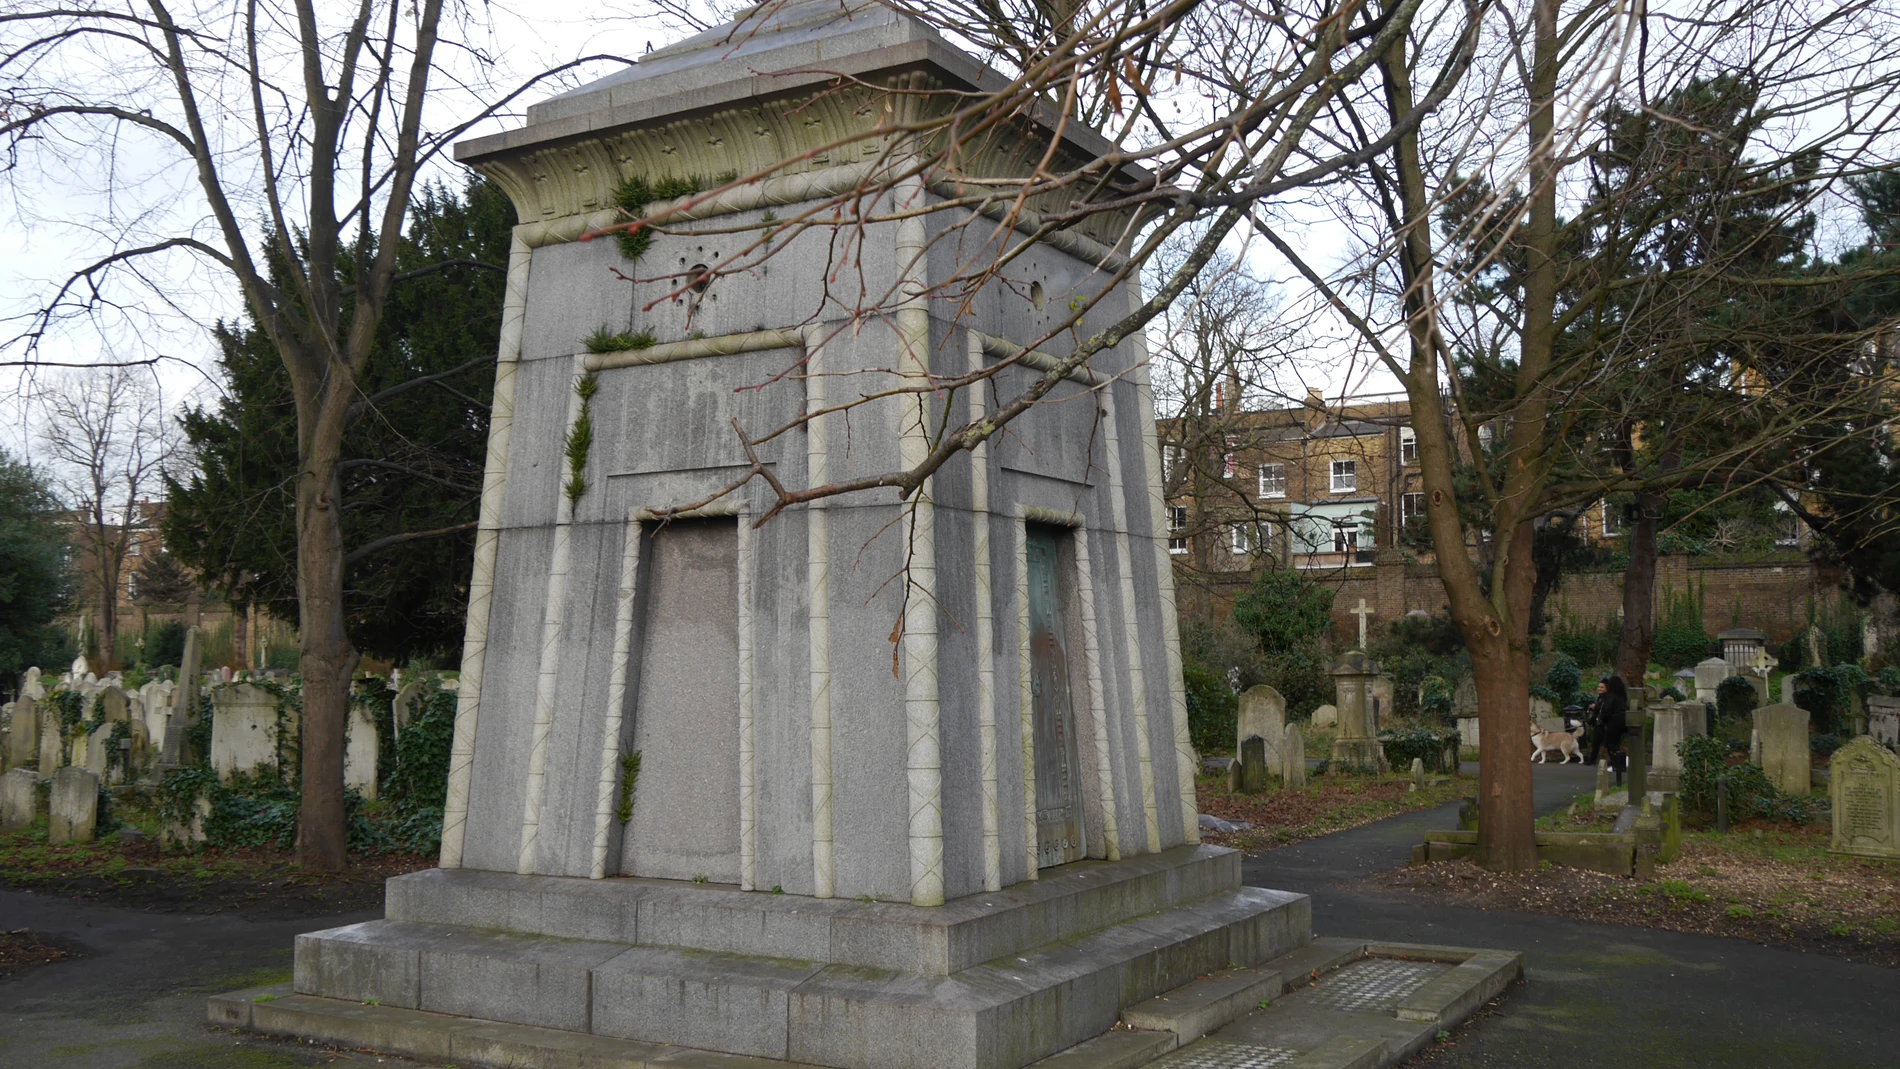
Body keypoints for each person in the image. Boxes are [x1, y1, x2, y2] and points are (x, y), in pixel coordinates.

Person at [1585, 674, 1629, 781]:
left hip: (1612, 723)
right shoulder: (1622, 697)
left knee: (1611, 745)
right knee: (1613, 744)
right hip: (1621, 723)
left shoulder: (1611, 697)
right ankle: (1618, 763)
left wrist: (1601, 720)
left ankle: (1618, 765)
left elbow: (1606, 710)